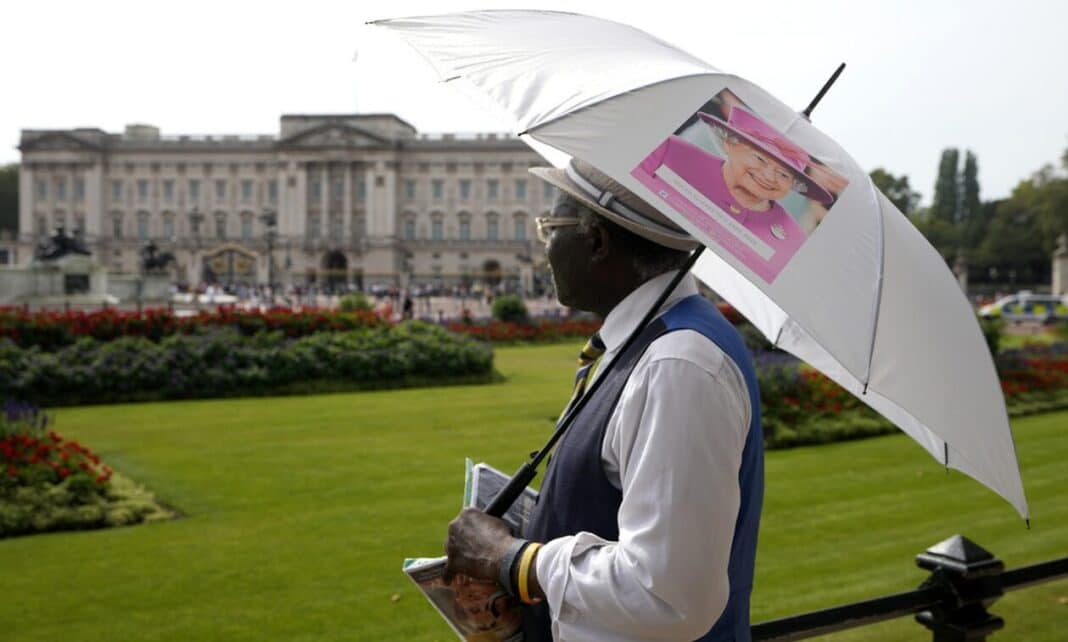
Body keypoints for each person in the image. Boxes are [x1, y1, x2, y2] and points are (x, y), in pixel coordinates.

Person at [444, 158, 764, 641]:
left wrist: (509, 559)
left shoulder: (677, 363)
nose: (545, 247)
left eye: (550, 228)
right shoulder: (652, 344)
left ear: (596, 240)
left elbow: (666, 595)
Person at [634, 106, 834, 280]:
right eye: (759, 158)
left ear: (793, 184)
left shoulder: (792, 244)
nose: (768, 176)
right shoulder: (668, 154)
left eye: (784, 174)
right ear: (729, 143)